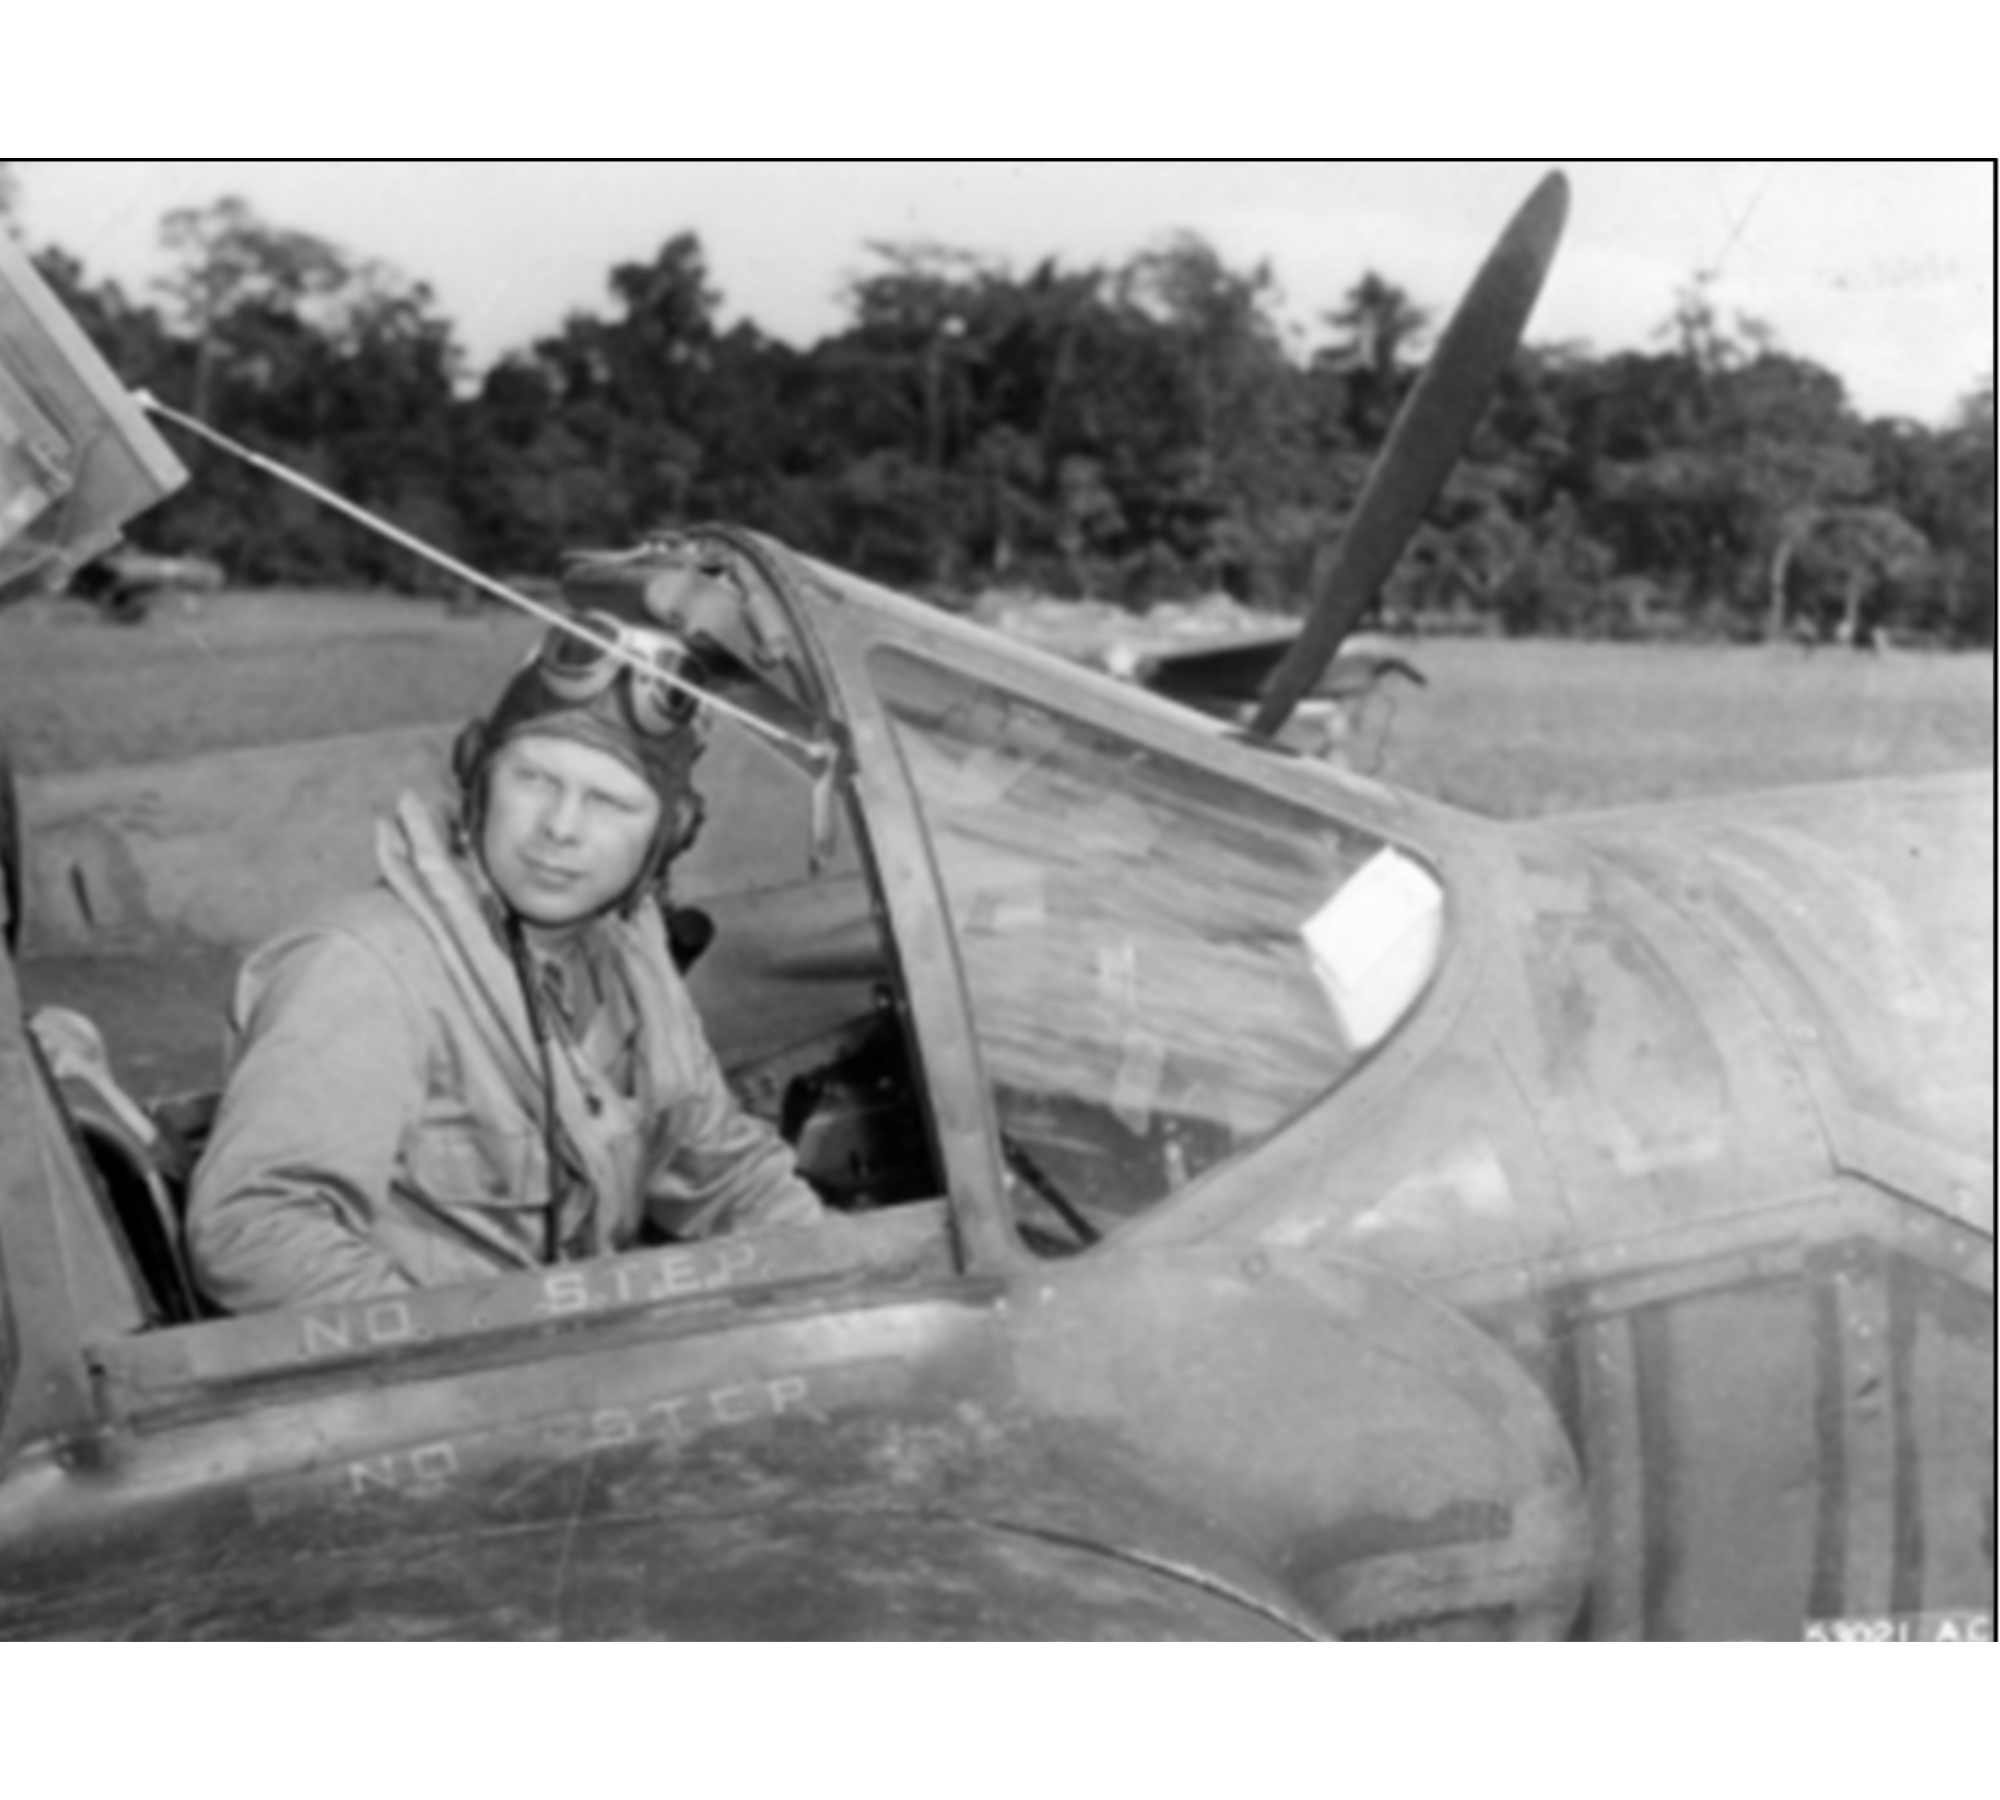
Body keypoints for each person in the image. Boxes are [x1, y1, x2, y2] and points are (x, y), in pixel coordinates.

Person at [186, 613, 825, 1314]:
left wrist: (851, 1281)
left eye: (609, 802)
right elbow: (255, 1234)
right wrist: (470, 1362)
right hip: (445, 1389)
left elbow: (726, 1173)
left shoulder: (629, 962)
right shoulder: (364, 970)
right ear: (479, 784)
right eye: (535, 780)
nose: (560, 828)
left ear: (668, 836)